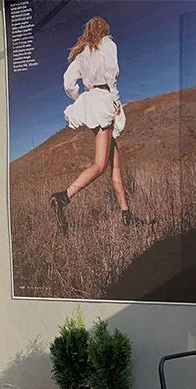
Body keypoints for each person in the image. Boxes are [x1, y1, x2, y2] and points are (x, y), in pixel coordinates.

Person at [50, 17, 145, 234]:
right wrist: (115, 100)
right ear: (103, 29)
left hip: (92, 100)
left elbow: (68, 82)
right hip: (103, 100)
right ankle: (63, 197)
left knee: (115, 163)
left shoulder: (82, 54)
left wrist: (81, 99)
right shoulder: (107, 44)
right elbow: (111, 73)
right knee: (100, 165)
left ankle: (126, 214)